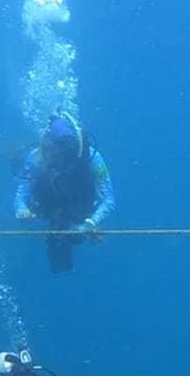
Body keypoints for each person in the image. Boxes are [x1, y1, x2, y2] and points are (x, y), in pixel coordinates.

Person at [14, 111, 115, 273]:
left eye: (67, 160)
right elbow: (21, 195)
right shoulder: (36, 158)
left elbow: (108, 200)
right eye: (57, 160)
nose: (62, 167)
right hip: (48, 201)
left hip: (79, 202)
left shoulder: (94, 159)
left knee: (75, 224)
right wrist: (21, 209)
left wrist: (90, 223)